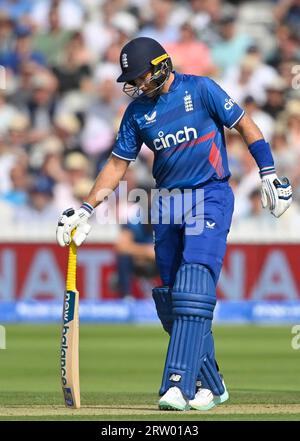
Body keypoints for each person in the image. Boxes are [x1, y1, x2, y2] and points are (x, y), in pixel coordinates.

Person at [56, 37, 292, 411]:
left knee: (193, 286)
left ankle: (177, 385)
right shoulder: (136, 113)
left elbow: (246, 125)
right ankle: (211, 384)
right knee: (169, 300)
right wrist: (86, 208)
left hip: (209, 194)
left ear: (162, 65)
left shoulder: (200, 89)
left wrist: (268, 173)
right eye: (131, 79)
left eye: (140, 75)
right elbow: (118, 165)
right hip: (166, 203)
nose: (136, 84)